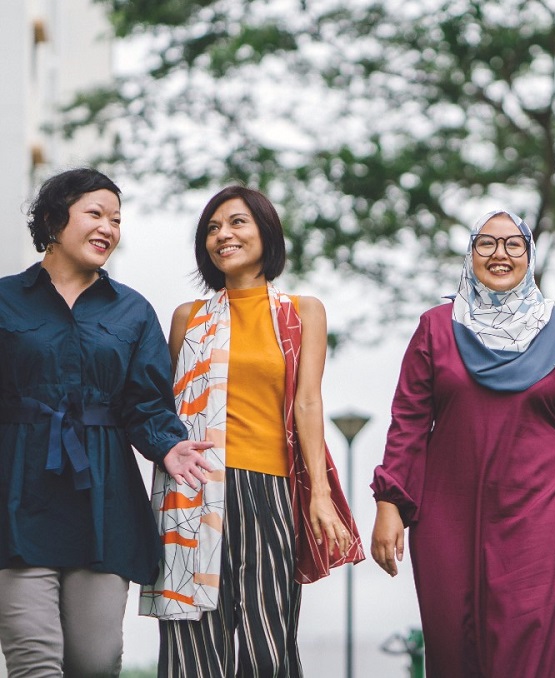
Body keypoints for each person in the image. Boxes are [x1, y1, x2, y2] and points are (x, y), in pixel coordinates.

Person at [370, 209, 555, 678]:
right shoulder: (436, 328)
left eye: (513, 244)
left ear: (529, 255)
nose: (499, 253)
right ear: (471, 254)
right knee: (453, 650)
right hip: (448, 519)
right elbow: (408, 421)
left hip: (541, 523)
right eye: (486, 243)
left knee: (531, 653)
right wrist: (390, 504)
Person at [139, 186, 365, 677]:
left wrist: (319, 495)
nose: (224, 235)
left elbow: (307, 402)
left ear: (266, 231)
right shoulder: (188, 318)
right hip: (195, 490)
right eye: (213, 228)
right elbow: (167, 411)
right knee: (192, 639)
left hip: (269, 489)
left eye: (237, 223)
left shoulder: (300, 312)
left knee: (269, 636)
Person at [0, 168, 214, 677]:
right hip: (17, 494)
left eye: (116, 219)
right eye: (95, 213)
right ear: (54, 219)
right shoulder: (5, 300)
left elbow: (146, 403)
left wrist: (168, 446)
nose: (109, 228)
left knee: (96, 663)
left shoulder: (132, 312)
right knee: (34, 660)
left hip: (104, 499)